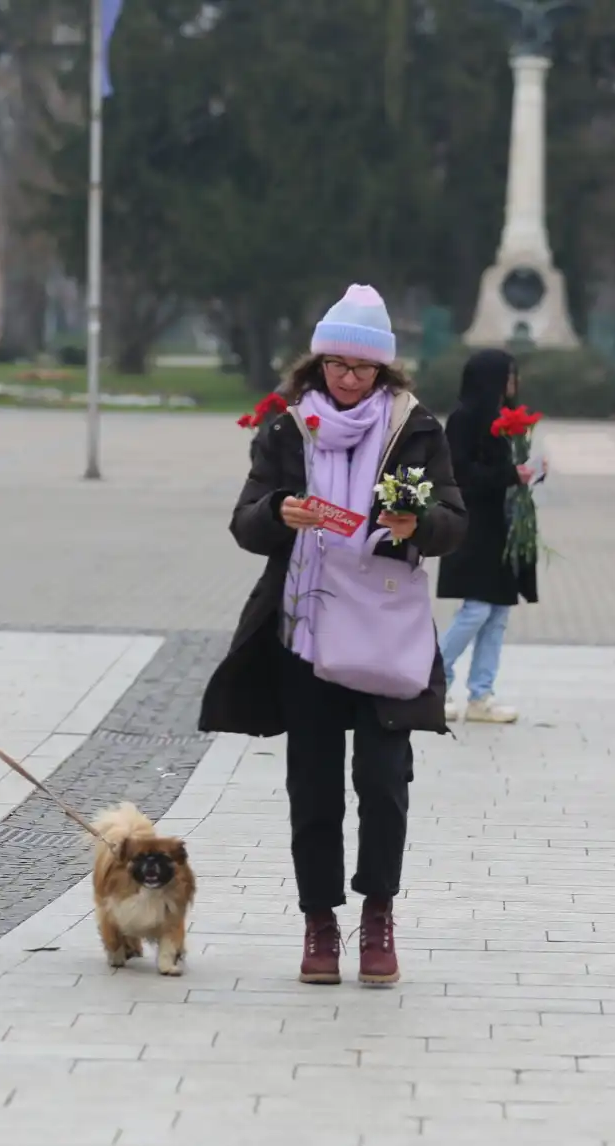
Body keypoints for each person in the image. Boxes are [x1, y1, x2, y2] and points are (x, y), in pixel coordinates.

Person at [199, 285, 466, 988]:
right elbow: (244, 521)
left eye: (363, 368)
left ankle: (378, 913)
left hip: (383, 629)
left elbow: (453, 519)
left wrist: (420, 526)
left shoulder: (416, 428)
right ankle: (320, 921)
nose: (348, 380)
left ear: (385, 371)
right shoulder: (289, 428)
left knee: (383, 782)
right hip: (305, 630)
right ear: (317, 364)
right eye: (337, 366)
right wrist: (277, 514)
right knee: (312, 788)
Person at [435, 349, 542, 724]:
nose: (513, 383)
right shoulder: (464, 419)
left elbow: (503, 469)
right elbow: (460, 474)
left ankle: (481, 695)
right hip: (472, 524)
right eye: (508, 375)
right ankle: (431, 680)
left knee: (497, 612)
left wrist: (528, 472)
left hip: (502, 525)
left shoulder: (506, 419)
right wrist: (512, 475)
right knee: (476, 609)